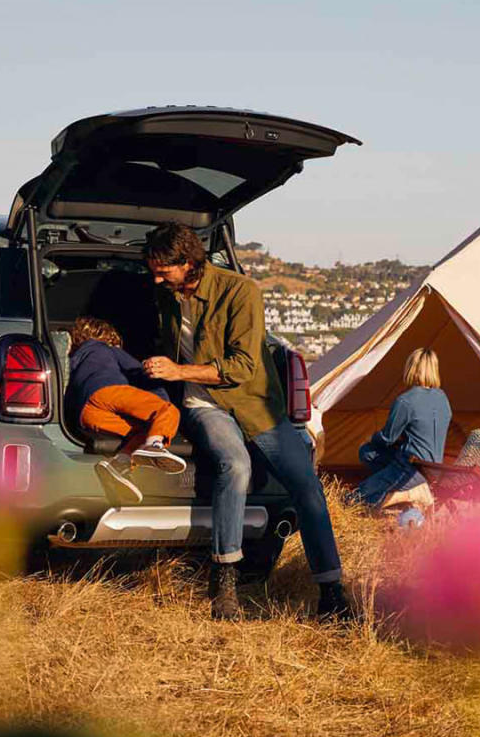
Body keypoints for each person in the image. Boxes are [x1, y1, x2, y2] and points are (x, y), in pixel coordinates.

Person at [141, 223, 347, 621]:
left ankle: (332, 590)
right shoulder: (163, 296)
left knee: (306, 485)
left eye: (163, 270)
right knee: (235, 465)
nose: (155, 278)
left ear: (187, 262)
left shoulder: (241, 291)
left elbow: (243, 366)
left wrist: (177, 372)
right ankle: (226, 580)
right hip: (204, 405)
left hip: (255, 405)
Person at [68, 316, 186, 505]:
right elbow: (139, 372)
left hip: (87, 413)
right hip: (108, 392)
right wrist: (160, 398)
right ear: (109, 338)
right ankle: (154, 446)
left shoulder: (75, 359)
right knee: (167, 411)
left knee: (141, 431)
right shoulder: (107, 349)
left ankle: (119, 464)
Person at [347, 348, 452, 508]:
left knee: (353, 500)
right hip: (435, 468)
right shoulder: (442, 397)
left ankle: (407, 492)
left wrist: (371, 438)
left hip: (411, 467)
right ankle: (396, 486)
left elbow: (387, 439)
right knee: (368, 453)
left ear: (411, 369)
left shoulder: (406, 401)